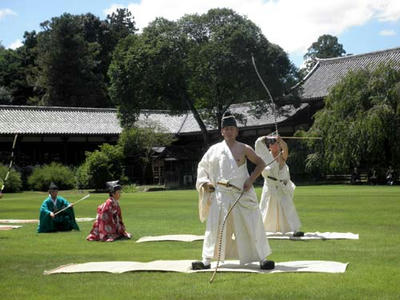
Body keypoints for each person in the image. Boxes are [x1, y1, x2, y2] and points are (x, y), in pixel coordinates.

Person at [192, 112, 274, 270]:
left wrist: (250, 180)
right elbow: (202, 167)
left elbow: (261, 163)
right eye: (226, 129)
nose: (229, 131)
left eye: (232, 128)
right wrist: (206, 182)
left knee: (253, 224)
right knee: (214, 226)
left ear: (236, 131)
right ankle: (206, 260)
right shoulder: (214, 150)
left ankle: (262, 258)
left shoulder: (244, 148)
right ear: (222, 131)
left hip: (241, 193)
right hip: (221, 194)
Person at [255, 134, 303, 237]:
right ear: (269, 146)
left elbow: (285, 148)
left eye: (277, 144)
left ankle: (295, 229)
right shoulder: (264, 156)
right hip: (269, 185)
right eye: (272, 144)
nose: (275, 146)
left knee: (288, 206)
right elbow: (258, 144)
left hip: (281, 186)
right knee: (265, 207)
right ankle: (259, 230)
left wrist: (280, 140)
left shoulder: (281, 156)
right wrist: (266, 137)